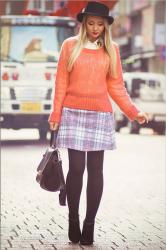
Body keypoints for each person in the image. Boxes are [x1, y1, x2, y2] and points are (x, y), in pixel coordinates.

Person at [48, 1, 148, 246]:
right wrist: (55, 115)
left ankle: (89, 224)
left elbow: (116, 87)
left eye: (99, 24)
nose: (95, 28)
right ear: (83, 24)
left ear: (106, 26)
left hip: (99, 115)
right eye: (91, 23)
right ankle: (73, 218)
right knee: (76, 169)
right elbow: (61, 82)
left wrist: (134, 112)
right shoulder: (69, 46)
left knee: (96, 171)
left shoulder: (111, 50)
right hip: (72, 112)